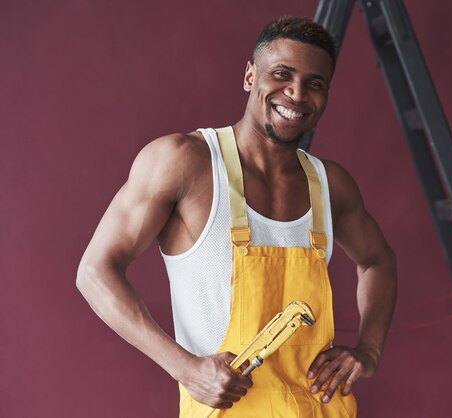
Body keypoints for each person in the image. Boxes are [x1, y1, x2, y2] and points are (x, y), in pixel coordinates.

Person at [77, 16, 397, 417]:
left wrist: (368, 350)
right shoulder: (184, 162)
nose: (297, 94)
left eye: (315, 83)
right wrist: (185, 369)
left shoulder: (330, 184)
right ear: (250, 75)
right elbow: (94, 270)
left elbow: (378, 261)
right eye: (282, 74)